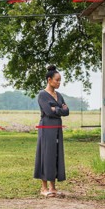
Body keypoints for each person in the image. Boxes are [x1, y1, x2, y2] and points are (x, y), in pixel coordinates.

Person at [34, 64, 69, 197]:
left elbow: (67, 111)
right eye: (57, 80)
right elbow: (48, 112)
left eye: (60, 80)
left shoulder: (59, 95)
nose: (59, 83)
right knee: (46, 154)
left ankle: (53, 187)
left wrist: (57, 110)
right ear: (49, 80)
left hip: (57, 128)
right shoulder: (42, 95)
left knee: (55, 154)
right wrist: (59, 109)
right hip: (46, 127)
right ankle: (44, 188)